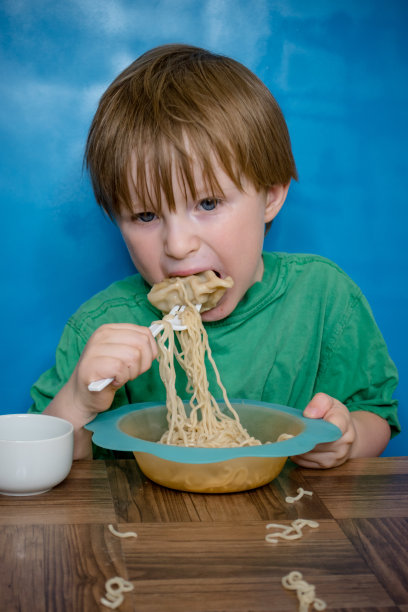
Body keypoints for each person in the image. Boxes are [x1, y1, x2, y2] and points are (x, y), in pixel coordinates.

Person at [29, 43, 400, 466]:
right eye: (146, 215)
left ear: (270, 197)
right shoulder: (100, 327)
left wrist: (347, 438)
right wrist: (78, 401)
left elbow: (376, 415)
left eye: (207, 204)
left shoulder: (323, 298)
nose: (177, 244)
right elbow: (47, 459)